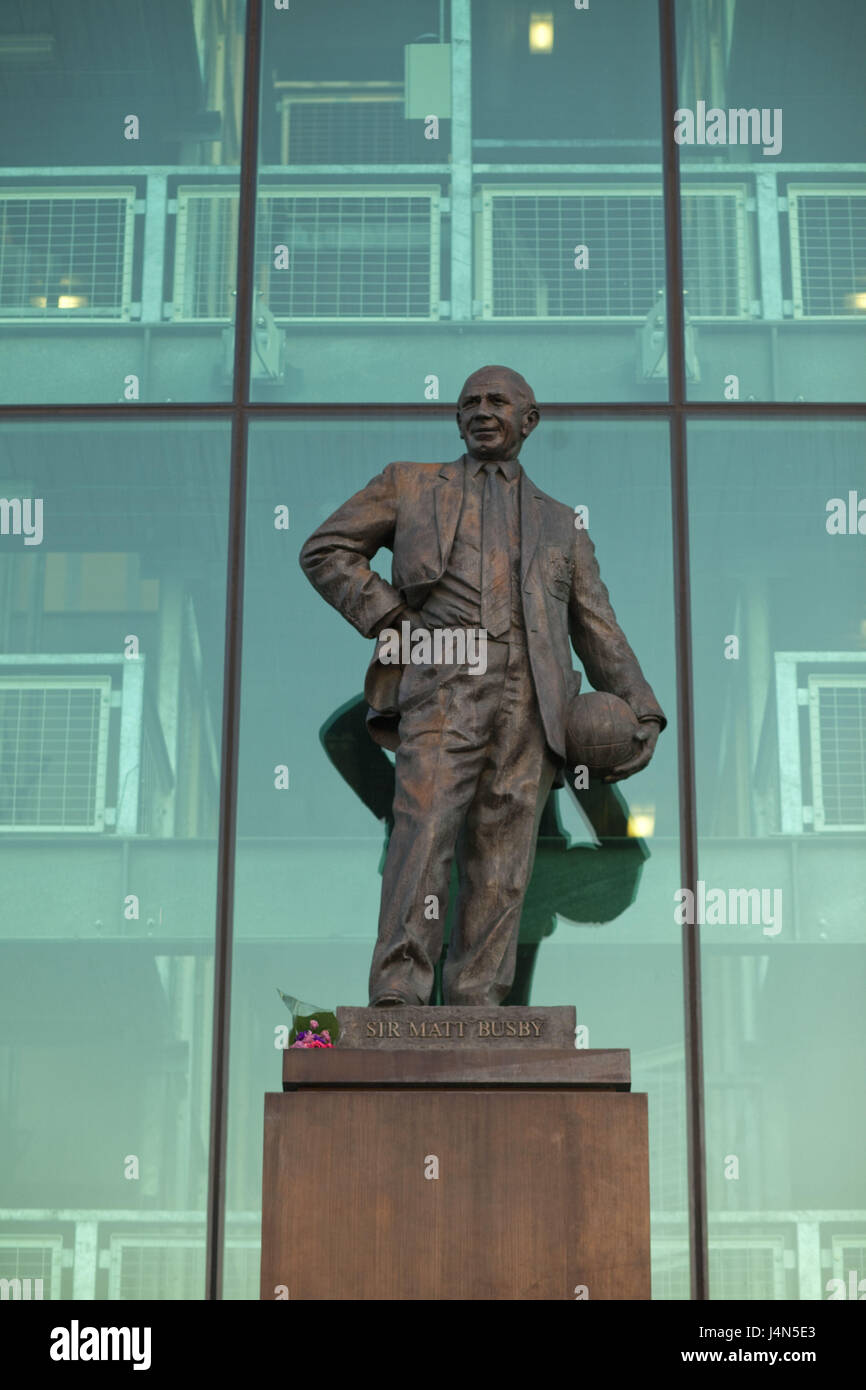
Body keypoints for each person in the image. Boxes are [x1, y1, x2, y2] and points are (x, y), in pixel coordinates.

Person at [299, 365, 666, 1006]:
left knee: (504, 854)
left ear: (530, 420)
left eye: (498, 401)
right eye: (469, 402)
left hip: (530, 698)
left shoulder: (562, 525)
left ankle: (479, 1000)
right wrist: (392, 618)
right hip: (444, 680)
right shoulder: (410, 484)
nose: (481, 410)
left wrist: (642, 709)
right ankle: (399, 991)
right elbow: (326, 549)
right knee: (424, 831)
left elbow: (598, 627)